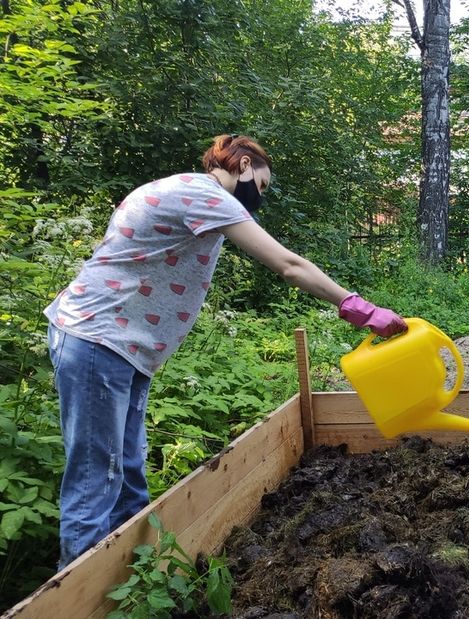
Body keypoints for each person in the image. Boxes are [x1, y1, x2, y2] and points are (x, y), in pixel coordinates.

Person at [43, 134, 407, 569]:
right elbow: (289, 265)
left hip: (123, 348)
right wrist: (356, 306)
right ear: (245, 166)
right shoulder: (201, 193)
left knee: (127, 473)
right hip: (97, 338)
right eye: (263, 185)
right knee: (95, 479)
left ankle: (131, 582)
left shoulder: (186, 191)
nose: (260, 197)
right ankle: (76, 600)